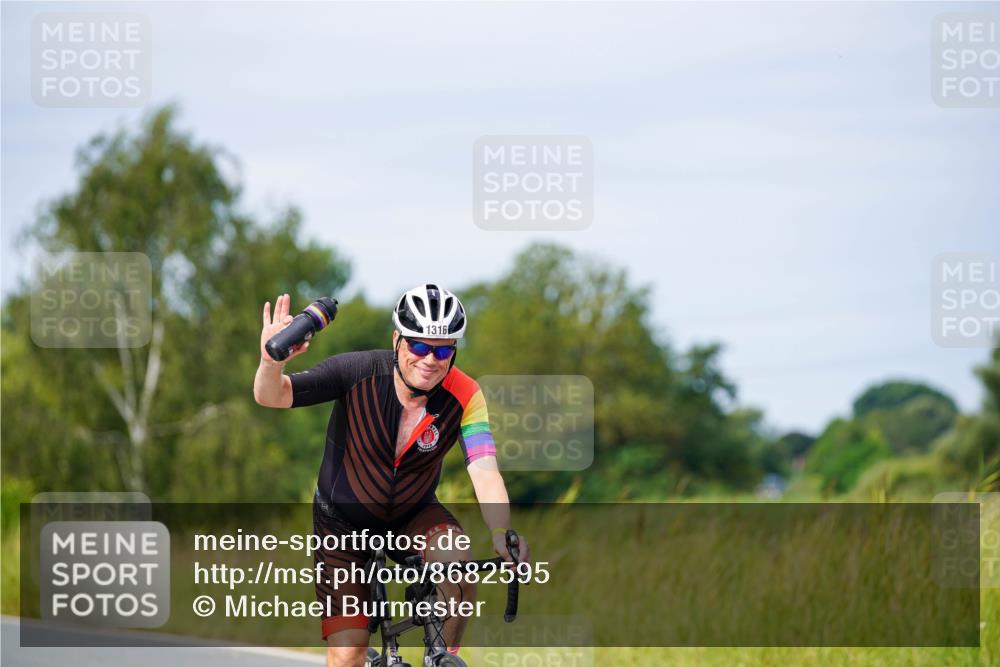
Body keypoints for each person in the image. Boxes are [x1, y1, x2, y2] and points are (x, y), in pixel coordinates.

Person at [253, 283, 529, 667]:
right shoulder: (356, 372)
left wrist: (501, 532)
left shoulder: (466, 395)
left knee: (460, 568)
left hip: (412, 514)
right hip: (342, 524)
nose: (430, 359)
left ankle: (442, 657)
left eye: (444, 349)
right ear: (397, 339)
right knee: (348, 652)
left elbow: (484, 470)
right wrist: (272, 361)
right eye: (419, 346)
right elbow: (272, 396)